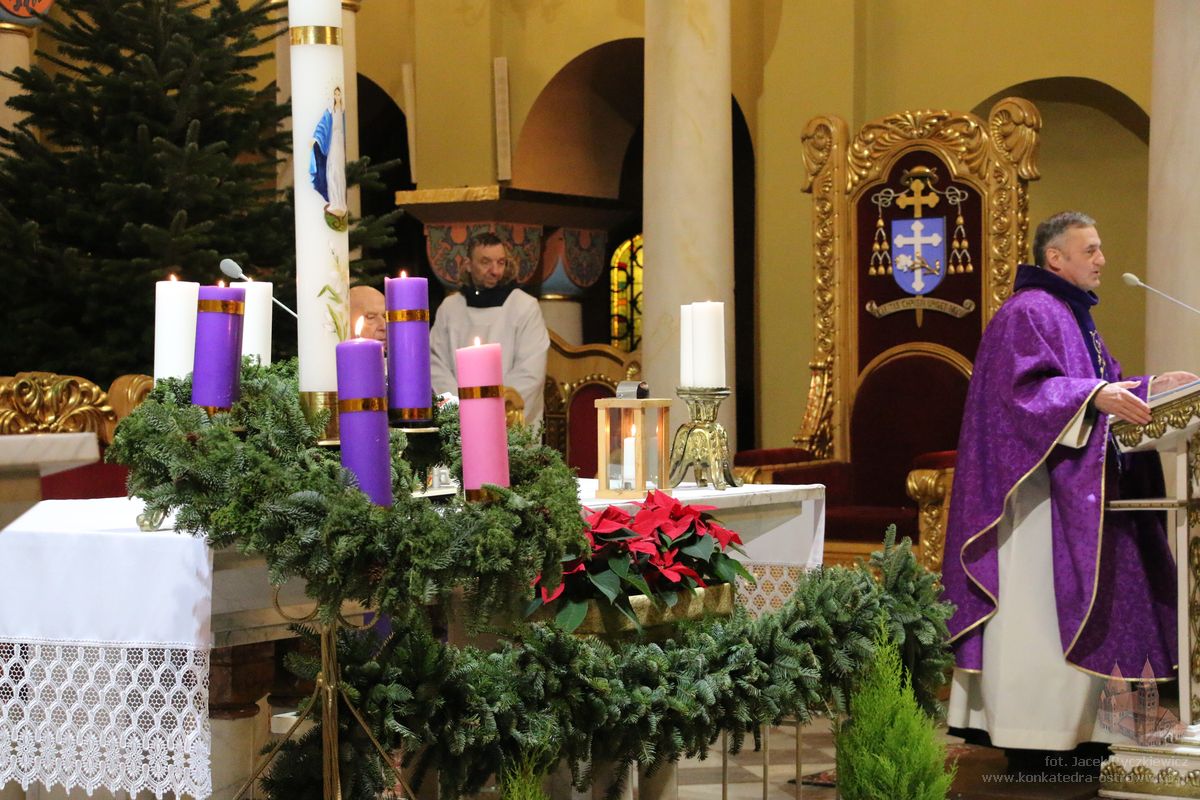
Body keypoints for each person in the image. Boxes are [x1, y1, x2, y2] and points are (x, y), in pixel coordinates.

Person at [942, 211, 1197, 757]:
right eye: (1091, 250)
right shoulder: (1028, 311)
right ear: (1054, 257)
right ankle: (1035, 736)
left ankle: (1089, 732)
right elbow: (1020, 395)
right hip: (1037, 500)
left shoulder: (1071, 313)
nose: (1102, 259)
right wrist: (1093, 396)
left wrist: (1154, 387)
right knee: (1039, 615)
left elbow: (1104, 388)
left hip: (1075, 492)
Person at [429, 232, 550, 430]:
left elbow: (530, 371)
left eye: (501, 262)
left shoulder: (524, 306)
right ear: (468, 264)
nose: (495, 271)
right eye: (485, 262)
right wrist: (461, 409)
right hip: (460, 421)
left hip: (508, 423)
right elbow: (436, 366)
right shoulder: (450, 308)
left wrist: (492, 411)